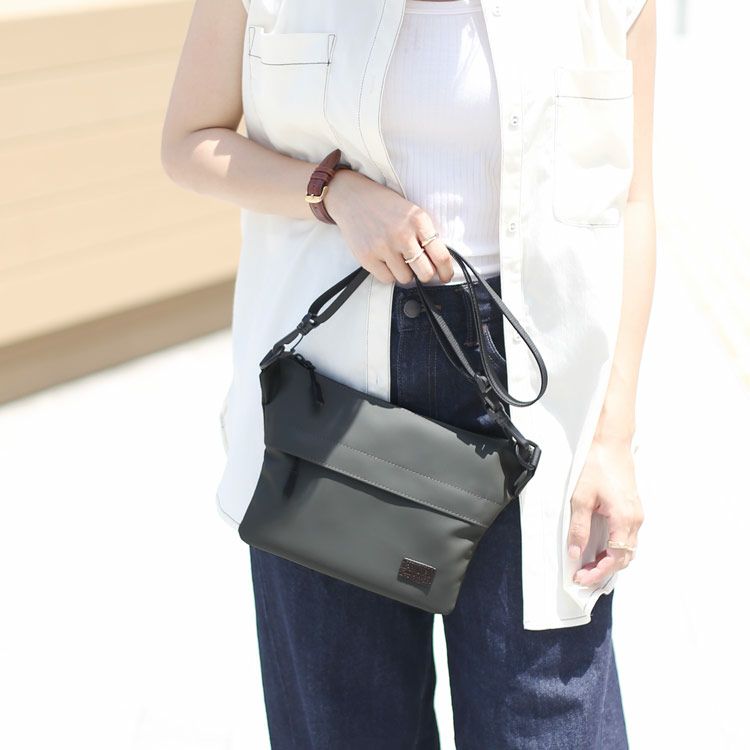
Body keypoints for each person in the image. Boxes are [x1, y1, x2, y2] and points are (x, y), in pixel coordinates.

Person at [161, 0, 656, 746]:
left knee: (548, 719)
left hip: (538, 407)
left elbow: (633, 200)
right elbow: (189, 142)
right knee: (344, 723)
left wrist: (613, 439)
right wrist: (331, 191)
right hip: (332, 405)